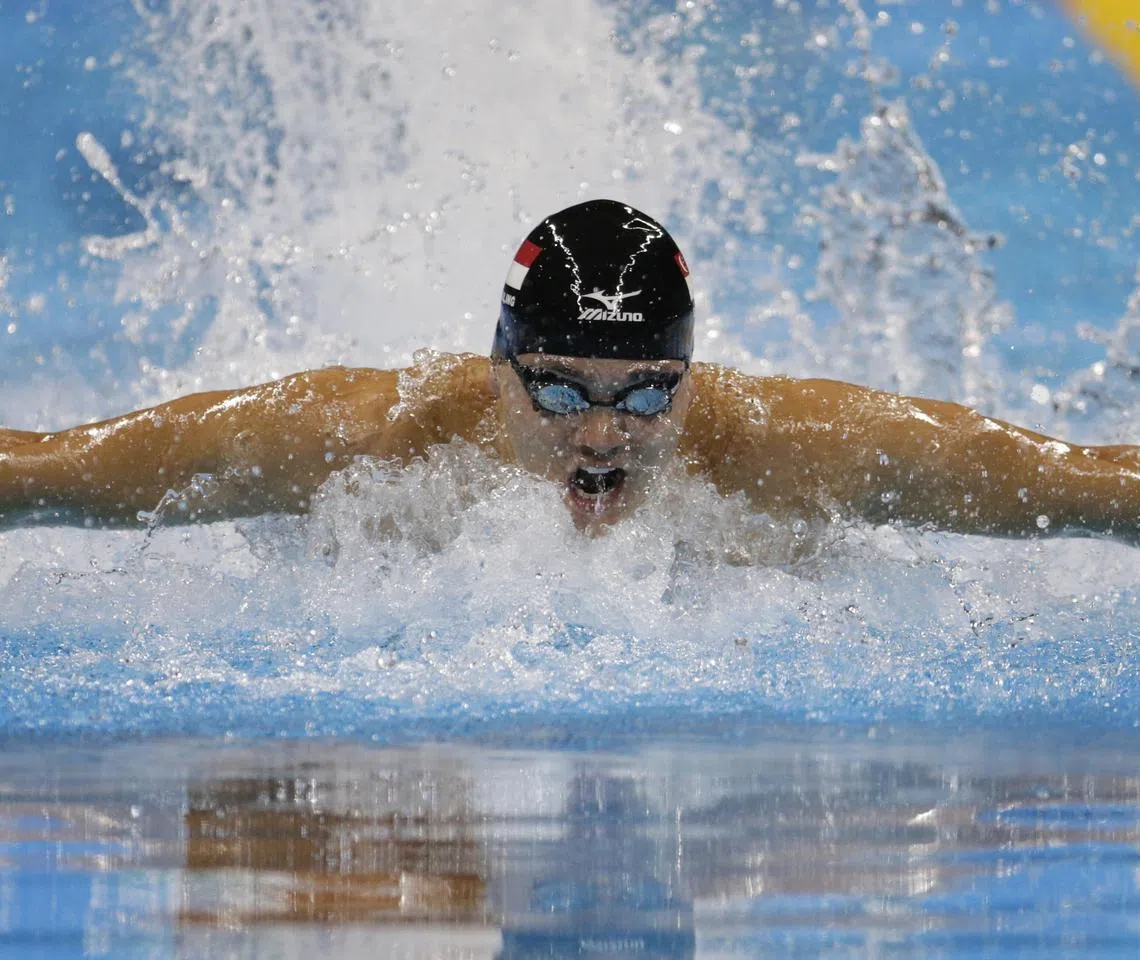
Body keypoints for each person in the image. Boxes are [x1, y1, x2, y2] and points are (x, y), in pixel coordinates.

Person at [3, 198, 1140, 539]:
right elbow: (57, 469)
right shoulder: (366, 437)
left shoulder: (797, 450)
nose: (603, 436)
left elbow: (1084, 483)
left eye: (649, 393)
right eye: (556, 390)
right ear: (494, 372)